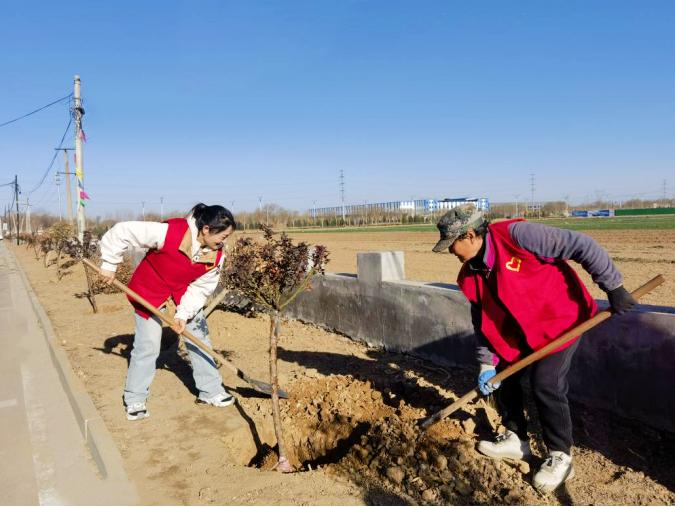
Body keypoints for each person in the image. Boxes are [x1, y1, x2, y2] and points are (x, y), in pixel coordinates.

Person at [432, 204, 637, 493]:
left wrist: (613, 286)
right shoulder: (471, 274)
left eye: (452, 244)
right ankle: (517, 439)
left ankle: (560, 456)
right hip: (520, 333)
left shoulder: (518, 235)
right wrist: (487, 364)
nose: (450, 252)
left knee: (546, 383)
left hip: (562, 322)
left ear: (469, 235)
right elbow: (482, 320)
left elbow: (581, 245)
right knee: (502, 378)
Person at [99, 203, 237, 421]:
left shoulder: (216, 256)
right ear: (207, 229)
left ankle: (210, 391)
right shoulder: (171, 232)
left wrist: (182, 315)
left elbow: (200, 288)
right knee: (148, 345)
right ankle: (135, 398)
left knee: (199, 336)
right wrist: (109, 263)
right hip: (150, 289)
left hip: (183, 292)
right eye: (223, 235)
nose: (224, 241)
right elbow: (122, 231)